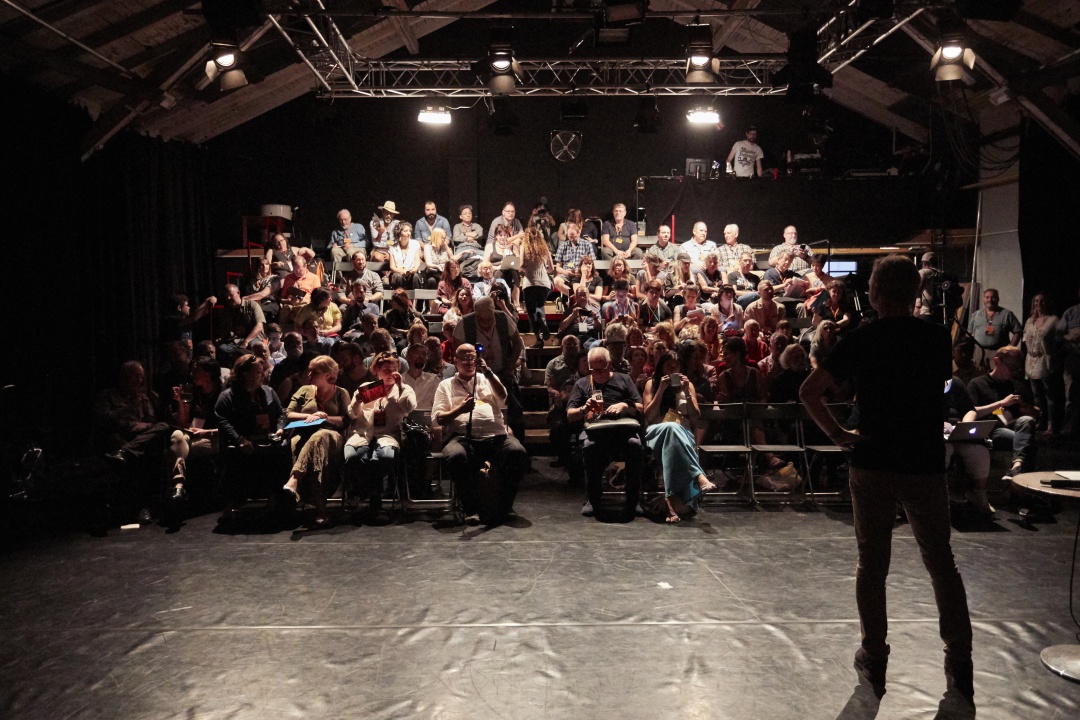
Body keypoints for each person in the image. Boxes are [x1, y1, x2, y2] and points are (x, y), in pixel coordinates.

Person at [800, 254, 974, 702]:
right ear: (915, 292)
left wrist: (838, 435)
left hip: (873, 459)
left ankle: (874, 655)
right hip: (924, 461)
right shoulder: (936, 337)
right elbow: (936, 386)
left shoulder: (862, 338)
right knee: (941, 562)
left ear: (874, 293)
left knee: (872, 566)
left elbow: (809, 391)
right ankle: (960, 660)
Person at [432, 343, 528, 525]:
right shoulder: (445, 385)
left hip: (496, 436)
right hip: (462, 437)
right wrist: (460, 409)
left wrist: (488, 372)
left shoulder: (487, 378)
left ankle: (505, 506)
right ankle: (470, 508)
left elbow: (503, 397)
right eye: (464, 358)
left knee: (517, 452)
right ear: (455, 361)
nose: (469, 362)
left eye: (472, 358)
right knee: (455, 455)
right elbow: (439, 418)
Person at [566, 346, 645, 519]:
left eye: (602, 369)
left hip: (623, 431)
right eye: (594, 370)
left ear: (610, 365)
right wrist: (584, 408)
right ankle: (593, 499)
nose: (599, 373)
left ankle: (633, 500)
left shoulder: (624, 379)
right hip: (596, 431)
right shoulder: (582, 384)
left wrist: (625, 405)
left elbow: (641, 407)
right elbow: (570, 415)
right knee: (589, 447)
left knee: (635, 445)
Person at [642, 351, 716, 522]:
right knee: (671, 427)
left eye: (676, 366)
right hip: (657, 433)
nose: (673, 369)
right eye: (669, 365)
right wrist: (661, 389)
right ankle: (698, 475)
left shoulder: (688, 385)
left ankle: (668, 499)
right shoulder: (652, 383)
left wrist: (687, 393)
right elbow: (649, 416)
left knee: (683, 509)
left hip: (683, 436)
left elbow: (695, 418)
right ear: (661, 367)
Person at [214, 354, 289, 517]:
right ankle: (230, 505)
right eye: (258, 372)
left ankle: (274, 500)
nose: (262, 376)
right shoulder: (228, 396)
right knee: (237, 456)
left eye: (262, 372)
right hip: (243, 439)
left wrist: (280, 429)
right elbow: (222, 420)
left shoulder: (269, 392)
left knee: (282, 450)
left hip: (268, 438)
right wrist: (239, 439)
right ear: (245, 374)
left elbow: (281, 413)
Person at [343, 350, 417, 514]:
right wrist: (357, 402)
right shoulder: (367, 388)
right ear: (376, 370)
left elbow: (409, 408)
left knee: (384, 457)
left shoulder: (404, 389)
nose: (391, 374)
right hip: (362, 434)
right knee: (353, 457)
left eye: (394, 369)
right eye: (386, 370)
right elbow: (352, 414)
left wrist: (400, 387)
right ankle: (367, 493)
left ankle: (374, 497)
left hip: (387, 435)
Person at [280, 355, 350, 526]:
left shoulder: (341, 393)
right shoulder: (304, 390)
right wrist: (310, 416)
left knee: (320, 436)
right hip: (304, 433)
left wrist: (324, 418)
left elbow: (345, 419)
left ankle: (295, 479)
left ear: (327, 374)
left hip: (332, 436)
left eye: (314, 372)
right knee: (313, 446)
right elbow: (289, 413)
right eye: (309, 371)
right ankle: (321, 510)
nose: (309, 374)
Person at [967, 345, 1039, 481]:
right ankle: (1022, 481)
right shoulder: (977, 384)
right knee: (1028, 442)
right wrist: (1002, 403)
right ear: (997, 361)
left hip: (1017, 426)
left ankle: (1016, 467)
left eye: (1017, 369)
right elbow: (972, 412)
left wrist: (1030, 410)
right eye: (1011, 368)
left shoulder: (1017, 385)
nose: (1014, 372)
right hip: (992, 430)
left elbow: (1034, 412)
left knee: (1027, 421)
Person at [1023, 292, 1061, 435]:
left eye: (1042, 301)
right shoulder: (1030, 321)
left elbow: (1059, 341)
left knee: (1049, 394)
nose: (1039, 304)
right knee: (1036, 394)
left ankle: (1051, 424)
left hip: (1045, 361)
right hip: (1031, 360)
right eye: (1036, 301)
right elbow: (1025, 338)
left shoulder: (1053, 320)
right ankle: (1041, 420)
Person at [966, 289, 1021, 366]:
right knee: (979, 373)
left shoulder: (1007, 314)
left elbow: (1018, 331)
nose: (990, 300)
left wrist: (1009, 350)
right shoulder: (976, 315)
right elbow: (968, 334)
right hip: (979, 353)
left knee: (997, 373)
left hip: (999, 353)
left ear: (998, 299)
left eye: (993, 297)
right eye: (987, 297)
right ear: (983, 299)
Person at [520, 225, 554, 347]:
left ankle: (538, 339)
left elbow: (521, 265)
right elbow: (551, 268)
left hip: (530, 283)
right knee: (540, 306)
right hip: (544, 283)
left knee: (531, 312)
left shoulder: (524, 247)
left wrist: (529, 271)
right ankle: (543, 320)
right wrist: (543, 272)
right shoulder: (544, 248)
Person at [216, 284, 266, 363]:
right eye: (226, 296)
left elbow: (259, 327)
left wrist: (246, 341)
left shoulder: (252, 305)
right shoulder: (227, 310)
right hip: (237, 340)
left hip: (254, 338)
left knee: (253, 347)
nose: (228, 298)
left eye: (231, 295)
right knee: (222, 348)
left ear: (238, 293)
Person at [485, 222, 524, 311]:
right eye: (500, 235)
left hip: (509, 271)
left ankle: (516, 304)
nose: (502, 237)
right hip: (495, 271)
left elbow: (518, 262)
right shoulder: (490, 246)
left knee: (514, 272)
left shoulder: (512, 246)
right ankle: (500, 302)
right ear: (496, 236)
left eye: (505, 235)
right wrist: (498, 266)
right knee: (498, 273)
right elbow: (485, 264)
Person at [381, 288, 424, 352]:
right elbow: (386, 328)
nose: (391, 302)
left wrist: (420, 323)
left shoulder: (414, 314)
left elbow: (424, 329)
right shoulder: (389, 314)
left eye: (393, 301)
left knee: (400, 345)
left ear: (399, 302)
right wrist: (404, 331)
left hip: (408, 338)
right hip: (393, 337)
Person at [402, 343, 440, 412]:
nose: (421, 356)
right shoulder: (400, 380)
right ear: (408, 357)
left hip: (426, 418)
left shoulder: (433, 380)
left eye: (424, 354)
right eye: (417, 353)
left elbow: (438, 406)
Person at [244, 256, 282, 321]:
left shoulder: (274, 279)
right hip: (256, 303)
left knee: (256, 310)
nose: (265, 266)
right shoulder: (253, 281)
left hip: (270, 304)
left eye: (267, 264)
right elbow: (250, 293)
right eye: (262, 265)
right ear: (258, 267)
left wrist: (244, 299)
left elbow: (263, 294)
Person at [388, 222, 423, 290]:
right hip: (398, 272)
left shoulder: (415, 244)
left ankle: (417, 297)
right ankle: (399, 296)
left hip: (411, 272)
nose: (408, 233)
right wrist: (401, 271)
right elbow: (392, 266)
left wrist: (414, 270)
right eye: (405, 231)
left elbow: (417, 261)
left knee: (415, 276)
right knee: (398, 276)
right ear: (399, 233)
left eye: (409, 231)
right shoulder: (392, 248)